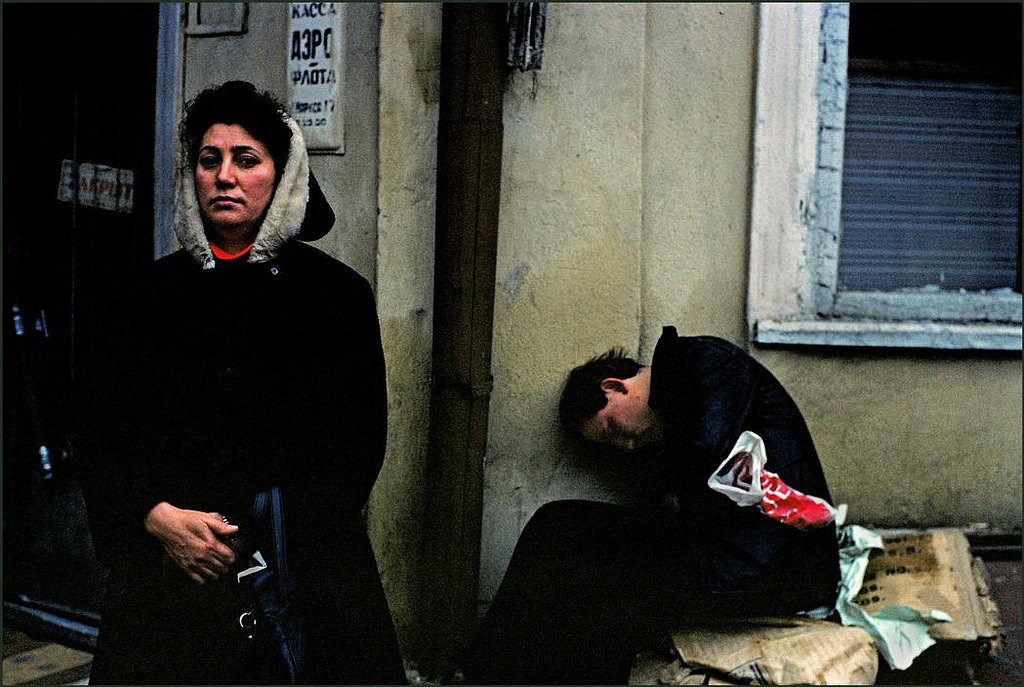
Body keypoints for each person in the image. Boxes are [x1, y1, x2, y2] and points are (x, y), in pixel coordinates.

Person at [77, 81, 405, 684]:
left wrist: (252, 533)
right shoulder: (144, 299)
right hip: (169, 585)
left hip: (298, 578)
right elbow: (102, 433)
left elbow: (357, 444)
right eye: (210, 160)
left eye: (246, 160)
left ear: (281, 176)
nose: (224, 176)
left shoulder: (334, 297)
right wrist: (155, 517)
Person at [462, 325, 840, 684]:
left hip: (772, 566)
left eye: (611, 429)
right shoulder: (668, 415)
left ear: (614, 387)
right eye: (610, 445)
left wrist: (673, 491)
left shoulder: (707, 363)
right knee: (557, 522)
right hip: (723, 547)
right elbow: (673, 501)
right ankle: (483, 671)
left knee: (605, 585)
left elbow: (709, 460)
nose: (626, 447)